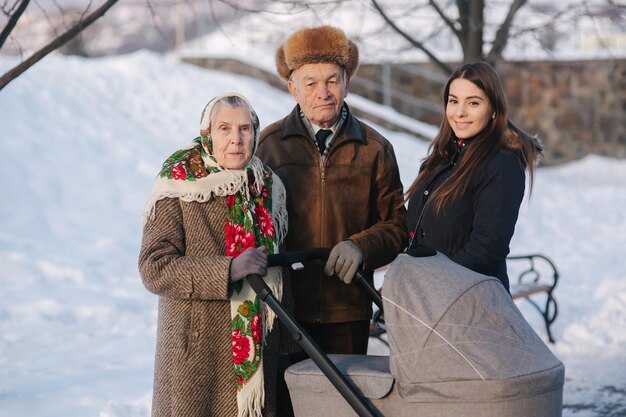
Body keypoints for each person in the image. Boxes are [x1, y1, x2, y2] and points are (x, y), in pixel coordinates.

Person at [257, 25, 407, 357]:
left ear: (347, 84)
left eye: (332, 81)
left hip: (348, 309)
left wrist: (361, 247)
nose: (323, 92)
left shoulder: (375, 148)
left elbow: (397, 228)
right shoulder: (268, 147)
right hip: (284, 309)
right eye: (310, 83)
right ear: (293, 89)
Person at [138, 93, 290, 417]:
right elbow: (154, 266)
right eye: (224, 128)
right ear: (208, 132)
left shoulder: (268, 185)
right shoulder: (178, 181)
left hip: (258, 355)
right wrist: (229, 269)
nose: (236, 139)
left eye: (245, 129)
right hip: (196, 354)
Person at [405, 62, 543, 292]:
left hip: (467, 305)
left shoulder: (501, 164)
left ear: (494, 110)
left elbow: (486, 249)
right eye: (453, 101)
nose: (460, 112)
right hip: (427, 304)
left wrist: (432, 288)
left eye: (473, 103)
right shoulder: (440, 159)